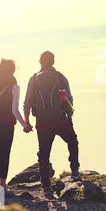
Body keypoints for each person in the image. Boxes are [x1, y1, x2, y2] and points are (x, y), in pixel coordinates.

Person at [24, 51, 80, 197]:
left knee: (44, 154)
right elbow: (68, 98)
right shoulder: (60, 77)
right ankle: (74, 171)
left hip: (42, 122)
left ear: (40, 62)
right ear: (53, 62)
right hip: (60, 119)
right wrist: (69, 114)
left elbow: (27, 101)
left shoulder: (34, 79)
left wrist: (27, 122)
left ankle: (46, 187)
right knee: (72, 141)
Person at [0, 59, 32, 189]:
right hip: (6, 125)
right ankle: (3, 185)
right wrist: (25, 126)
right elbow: (14, 110)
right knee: (5, 154)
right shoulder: (14, 86)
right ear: (12, 70)